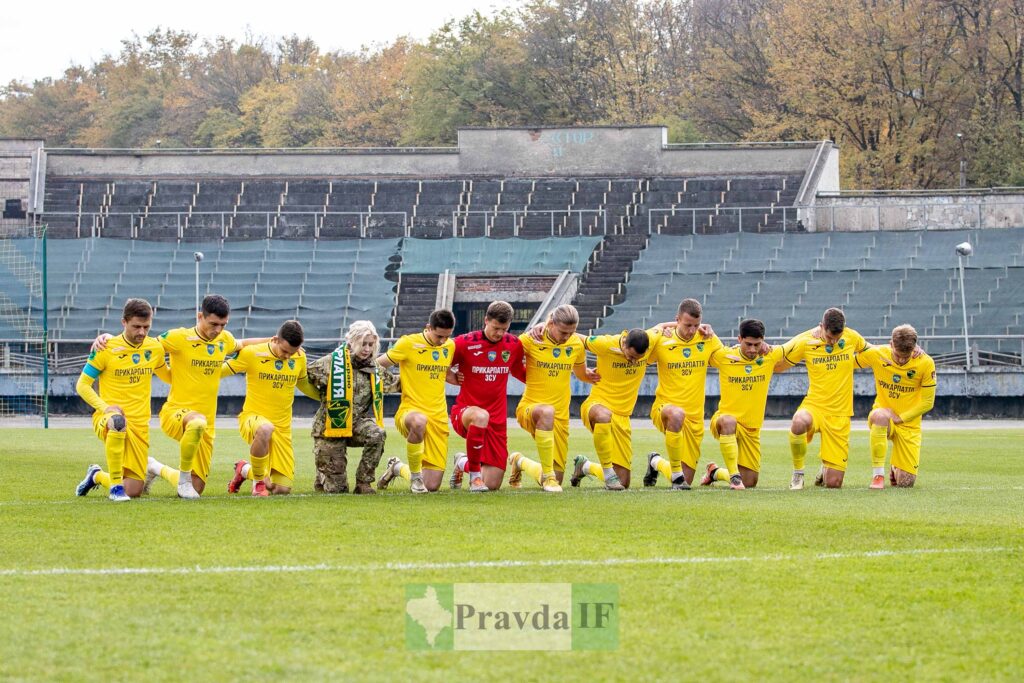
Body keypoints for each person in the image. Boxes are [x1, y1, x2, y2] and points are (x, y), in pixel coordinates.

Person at [94, 294, 268, 499]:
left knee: (197, 488)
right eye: (213, 324)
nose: (218, 330)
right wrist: (106, 338)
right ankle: (182, 479)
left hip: (207, 421)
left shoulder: (224, 340)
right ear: (200, 316)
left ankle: (154, 468)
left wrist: (276, 341)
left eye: (223, 324)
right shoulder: (178, 338)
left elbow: (243, 343)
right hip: (177, 412)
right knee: (195, 423)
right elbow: (143, 344)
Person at [75, 298, 173, 501]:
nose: (142, 332)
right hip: (109, 418)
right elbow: (82, 385)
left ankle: (97, 475)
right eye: (136, 326)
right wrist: (105, 408)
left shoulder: (154, 348)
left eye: (146, 327)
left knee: (134, 490)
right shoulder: (106, 348)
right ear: (124, 322)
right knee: (118, 421)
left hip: (139, 424)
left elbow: (169, 377)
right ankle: (115, 490)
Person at [698, 319, 799, 489]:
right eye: (748, 344)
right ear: (739, 339)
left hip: (751, 429)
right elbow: (701, 344)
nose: (752, 349)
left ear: (763, 341)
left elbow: (797, 342)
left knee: (750, 482)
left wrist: (818, 330)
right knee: (729, 421)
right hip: (725, 421)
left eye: (757, 344)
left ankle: (714, 472)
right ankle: (735, 478)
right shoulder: (724, 356)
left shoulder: (770, 355)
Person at [508, 304, 598, 493]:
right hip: (531, 408)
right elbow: (506, 353)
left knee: (559, 478)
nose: (567, 336)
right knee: (547, 411)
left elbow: (580, 373)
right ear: (551, 324)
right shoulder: (532, 340)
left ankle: (519, 461)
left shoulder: (575, 344)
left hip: (560, 416)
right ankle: (548, 477)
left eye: (571, 332)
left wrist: (590, 376)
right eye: (563, 331)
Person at [305, 320, 398, 494]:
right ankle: (323, 471)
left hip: (356, 425)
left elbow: (396, 383)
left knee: (377, 433)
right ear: (352, 342)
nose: (367, 349)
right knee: (338, 490)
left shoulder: (375, 370)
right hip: (329, 429)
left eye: (371, 344)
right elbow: (304, 376)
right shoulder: (331, 363)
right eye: (363, 344)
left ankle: (364, 482)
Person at [781, 307, 869, 489]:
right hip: (815, 406)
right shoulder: (807, 341)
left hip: (840, 414)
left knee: (833, 484)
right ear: (821, 327)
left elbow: (873, 351)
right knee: (799, 422)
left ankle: (825, 467)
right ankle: (798, 474)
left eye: (837, 338)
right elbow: (780, 360)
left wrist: (900, 349)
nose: (833, 341)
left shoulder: (852, 337)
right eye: (830, 337)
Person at [225, 320, 315, 496]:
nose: (288, 357)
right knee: (266, 429)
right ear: (275, 340)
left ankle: (244, 470)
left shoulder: (300, 357)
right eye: (284, 351)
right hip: (253, 418)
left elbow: (303, 384)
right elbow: (221, 370)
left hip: (282, 429)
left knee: (281, 490)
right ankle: (258, 483)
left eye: (293, 352)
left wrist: (327, 399)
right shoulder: (252, 353)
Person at [643, 299, 723, 489]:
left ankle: (655, 462)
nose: (692, 330)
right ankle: (676, 476)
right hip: (666, 409)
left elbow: (726, 357)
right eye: (687, 325)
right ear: (676, 320)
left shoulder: (707, 338)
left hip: (694, 418)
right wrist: (662, 326)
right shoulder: (662, 340)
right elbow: (639, 347)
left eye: (696, 325)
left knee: (687, 480)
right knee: (676, 414)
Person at [446, 301, 524, 492]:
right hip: (466, 413)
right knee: (480, 416)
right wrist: (452, 377)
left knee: (492, 484)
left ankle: (461, 462)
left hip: (497, 420)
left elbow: (520, 372)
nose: (499, 333)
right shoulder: (464, 343)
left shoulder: (514, 344)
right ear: (486, 320)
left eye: (504, 329)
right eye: (496, 328)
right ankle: (474, 478)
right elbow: (440, 362)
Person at [375, 309, 456, 493]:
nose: (443, 341)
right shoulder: (408, 343)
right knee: (419, 422)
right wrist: (389, 384)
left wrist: (455, 377)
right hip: (410, 411)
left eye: (447, 336)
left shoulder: (449, 346)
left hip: (439, 417)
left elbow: (446, 372)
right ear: (428, 328)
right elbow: (377, 364)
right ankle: (416, 479)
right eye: (439, 336)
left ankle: (396, 467)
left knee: (432, 486)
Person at [569, 328, 657, 490]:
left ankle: (585, 466)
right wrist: (545, 325)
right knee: (603, 415)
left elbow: (663, 327)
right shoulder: (605, 344)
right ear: (624, 343)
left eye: (638, 359)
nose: (633, 361)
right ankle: (608, 473)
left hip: (622, 417)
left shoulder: (651, 340)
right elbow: (574, 336)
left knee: (623, 483)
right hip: (597, 405)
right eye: (630, 357)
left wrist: (702, 327)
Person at [856, 324, 937, 488]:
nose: (901, 360)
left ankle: (895, 468)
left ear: (914, 348)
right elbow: (845, 361)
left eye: (905, 356)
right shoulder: (877, 354)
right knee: (880, 415)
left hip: (909, 425)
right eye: (898, 355)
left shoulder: (926, 363)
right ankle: (878, 475)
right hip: (884, 418)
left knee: (906, 483)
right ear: (890, 344)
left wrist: (901, 418)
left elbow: (927, 402)